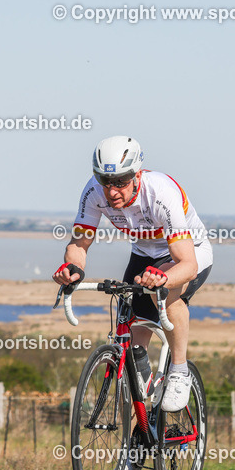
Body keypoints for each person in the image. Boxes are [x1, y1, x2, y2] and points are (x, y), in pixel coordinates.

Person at [53, 135, 213, 415]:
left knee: (167, 295)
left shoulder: (161, 193)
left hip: (188, 252)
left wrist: (163, 280)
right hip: (144, 254)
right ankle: (140, 437)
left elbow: (185, 263)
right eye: (104, 181)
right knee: (131, 336)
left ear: (137, 175)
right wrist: (73, 269)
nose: (112, 191)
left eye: (121, 182)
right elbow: (79, 243)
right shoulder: (93, 192)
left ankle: (179, 370)